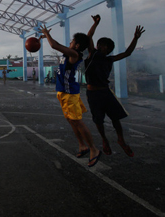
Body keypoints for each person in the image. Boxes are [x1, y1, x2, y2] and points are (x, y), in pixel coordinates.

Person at [41, 26, 101, 167]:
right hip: (63, 92)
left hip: (69, 95)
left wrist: (46, 33)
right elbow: (59, 45)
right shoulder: (69, 54)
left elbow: (55, 45)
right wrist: (48, 35)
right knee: (71, 120)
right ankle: (82, 145)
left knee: (78, 121)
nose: (70, 43)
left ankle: (94, 149)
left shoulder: (75, 55)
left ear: (77, 45)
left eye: (72, 41)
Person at [85, 14, 145, 157]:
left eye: (105, 46)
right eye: (100, 44)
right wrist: (96, 24)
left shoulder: (109, 59)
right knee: (98, 120)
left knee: (115, 118)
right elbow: (89, 36)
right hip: (93, 94)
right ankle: (104, 140)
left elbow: (128, 53)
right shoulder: (92, 54)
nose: (101, 47)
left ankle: (121, 140)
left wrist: (135, 38)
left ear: (108, 49)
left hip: (105, 92)